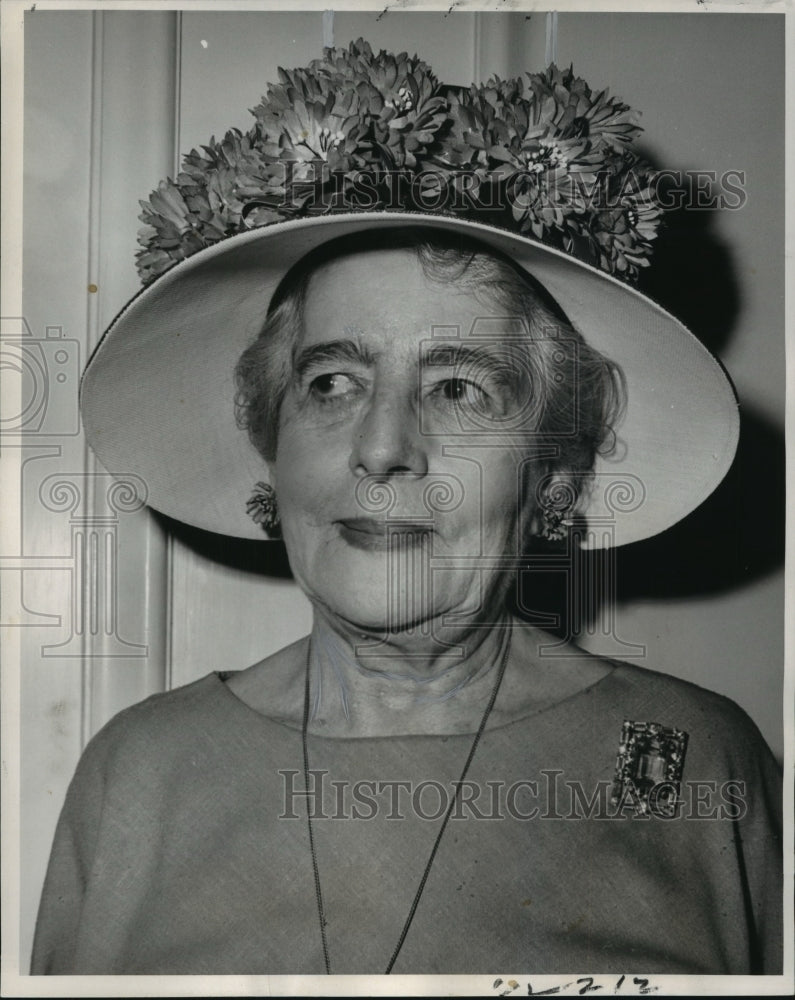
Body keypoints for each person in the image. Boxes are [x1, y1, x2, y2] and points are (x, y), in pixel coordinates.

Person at [31, 40, 782, 976]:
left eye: (458, 388)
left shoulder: (687, 761)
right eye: (334, 381)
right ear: (273, 445)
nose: (381, 447)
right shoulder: (138, 773)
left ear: (552, 475)